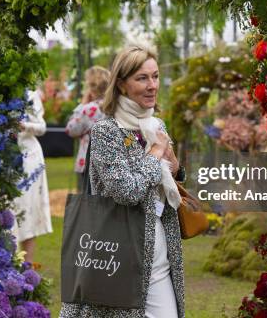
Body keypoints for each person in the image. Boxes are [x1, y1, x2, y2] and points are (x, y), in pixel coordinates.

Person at [60, 44, 185, 318]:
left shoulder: (156, 125)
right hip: (118, 251)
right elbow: (125, 191)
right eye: (142, 78)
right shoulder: (106, 131)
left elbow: (167, 179)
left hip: (160, 248)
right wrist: (154, 154)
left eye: (155, 76)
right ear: (121, 84)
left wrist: (175, 167)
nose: (152, 85)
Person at [13, 89, 53, 264]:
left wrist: (23, 126)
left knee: (27, 211)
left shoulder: (29, 95)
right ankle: (6, 269)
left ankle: (27, 269)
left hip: (28, 158)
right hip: (0, 158)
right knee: (8, 214)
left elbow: (42, 127)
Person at [65, 66, 110, 191]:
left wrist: (83, 103)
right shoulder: (112, 106)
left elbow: (71, 129)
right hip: (108, 163)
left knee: (86, 202)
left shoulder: (91, 108)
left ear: (91, 87)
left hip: (87, 164)